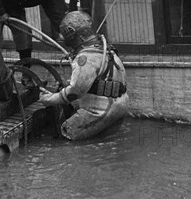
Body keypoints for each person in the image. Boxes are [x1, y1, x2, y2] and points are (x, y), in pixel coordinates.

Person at [39, 11, 129, 140]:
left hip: (100, 112)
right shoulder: (106, 50)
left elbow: (76, 91)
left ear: (73, 34)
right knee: (107, 140)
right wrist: (68, 84)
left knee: (66, 133)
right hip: (119, 106)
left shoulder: (86, 57)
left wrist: (48, 99)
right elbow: (99, 80)